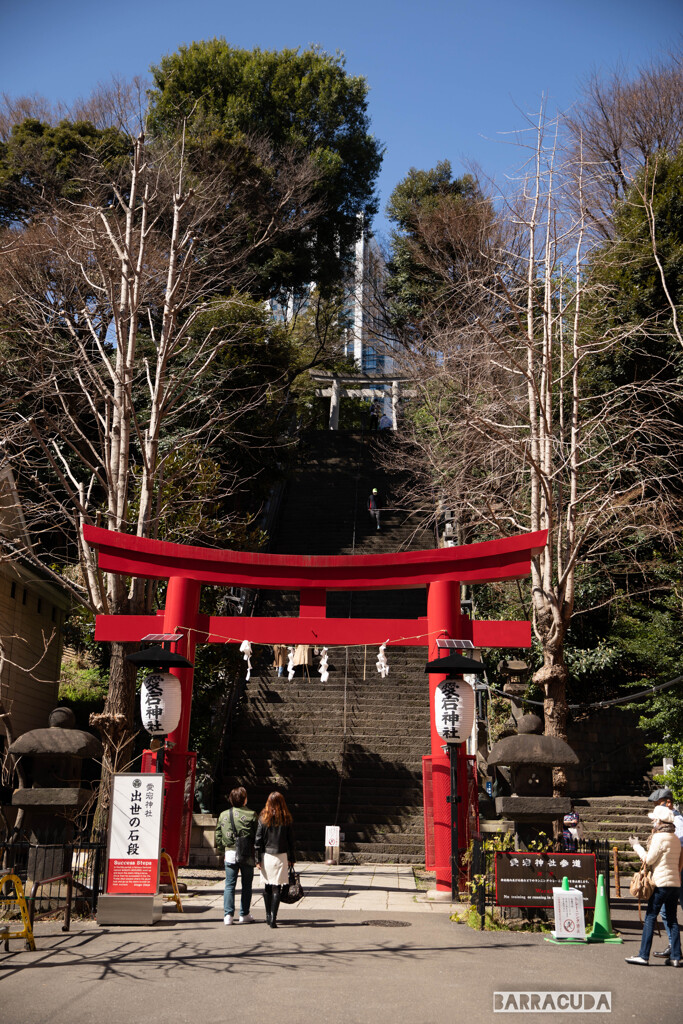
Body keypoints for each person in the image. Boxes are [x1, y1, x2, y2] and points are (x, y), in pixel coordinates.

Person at [624, 804, 683, 966]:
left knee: (650, 916)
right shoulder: (675, 839)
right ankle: (676, 957)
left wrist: (636, 846)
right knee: (672, 919)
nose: (653, 822)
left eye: (654, 819)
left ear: (660, 821)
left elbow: (649, 860)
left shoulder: (659, 837)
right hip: (675, 883)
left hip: (661, 883)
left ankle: (643, 955)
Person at [647, 788, 683, 959]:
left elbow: (681, 848)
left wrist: (678, 870)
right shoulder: (669, 820)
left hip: (676, 872)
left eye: (659, 805)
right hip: (673, 872)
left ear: (668, 802)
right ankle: (673, 948)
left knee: (667, 912)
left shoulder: (677, 820)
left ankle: (674, 948)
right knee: (667, 913)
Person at [215, 786, 258, 925]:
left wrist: (223, 849)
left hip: (230, 852)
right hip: (246, 853)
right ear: (245, 799)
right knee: (247, 885)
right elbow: (257, 835)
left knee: (229, 884)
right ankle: (244, 914)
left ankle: (228, 915)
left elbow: (218, 835)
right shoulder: (252, 814)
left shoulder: (223, 815)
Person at [255, 790, 296, 929]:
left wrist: (257, 859)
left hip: (267, 855)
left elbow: (258, 840)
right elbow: (291, 841)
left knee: (267, 885)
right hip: (281, 855)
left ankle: (267, 915)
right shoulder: (286, 818)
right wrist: (292, 858)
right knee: (277, 887)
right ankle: (273, 917)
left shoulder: (263, 818)